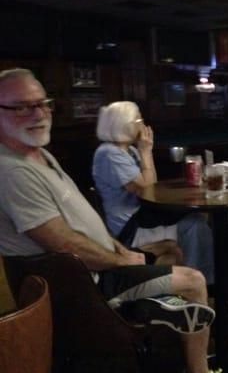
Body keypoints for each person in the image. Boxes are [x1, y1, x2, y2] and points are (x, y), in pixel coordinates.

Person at [0, 68, 214, 373]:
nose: (38, 113)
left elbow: (85, 223)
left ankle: (151, 311)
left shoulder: (39, 155)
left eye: (42, 103)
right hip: (88, 285)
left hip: (100, 266)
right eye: (21, 106)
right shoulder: (12, 170)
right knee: (194, 280)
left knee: (172, 250)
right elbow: (63, 243)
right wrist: (121, 261)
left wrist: (118, 250)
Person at [92, 101, 214, 284]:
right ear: (124, 124)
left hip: (144, 217)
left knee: (197, 219)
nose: (143, 124)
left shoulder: (129, 151)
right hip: (130, 226)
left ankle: (201, 282)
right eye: (138, 119)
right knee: (193, 223)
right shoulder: (109, 153)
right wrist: (146, 151)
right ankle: (202, 284)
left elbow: (153, 185)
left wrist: (143, 152)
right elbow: (146, 190)